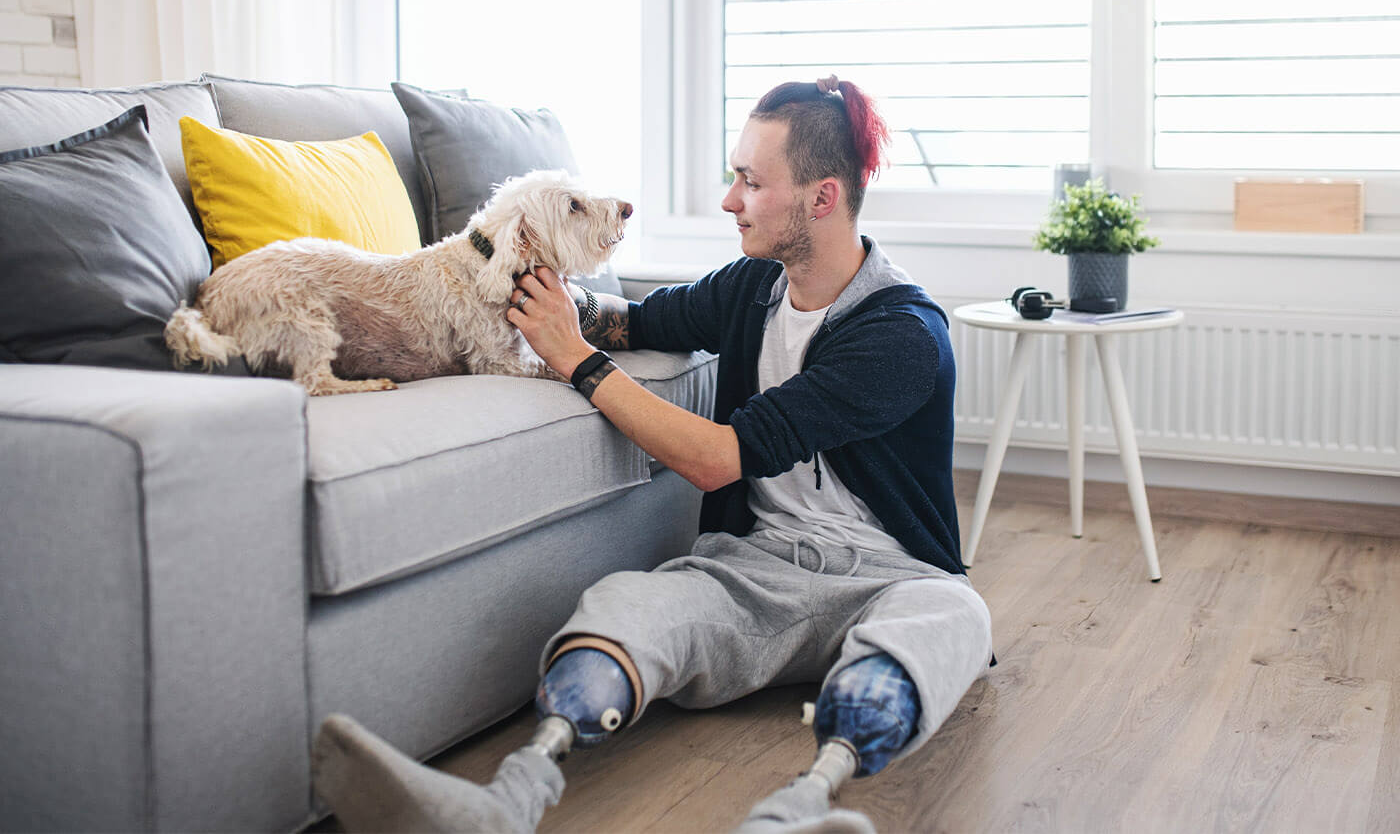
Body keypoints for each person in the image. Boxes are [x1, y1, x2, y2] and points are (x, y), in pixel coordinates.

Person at [311, 76, 994, 834]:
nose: (731, 199)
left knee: (950, 613)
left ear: (822, 198)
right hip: (755, 571)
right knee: (626, 604)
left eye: (750, 181)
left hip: (890, 577)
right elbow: (636, 321)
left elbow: (719, 457)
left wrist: (575, 359)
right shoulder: (753, 286)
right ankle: (506, 801)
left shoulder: (900, 333)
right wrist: (533, 292)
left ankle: (799, 808)